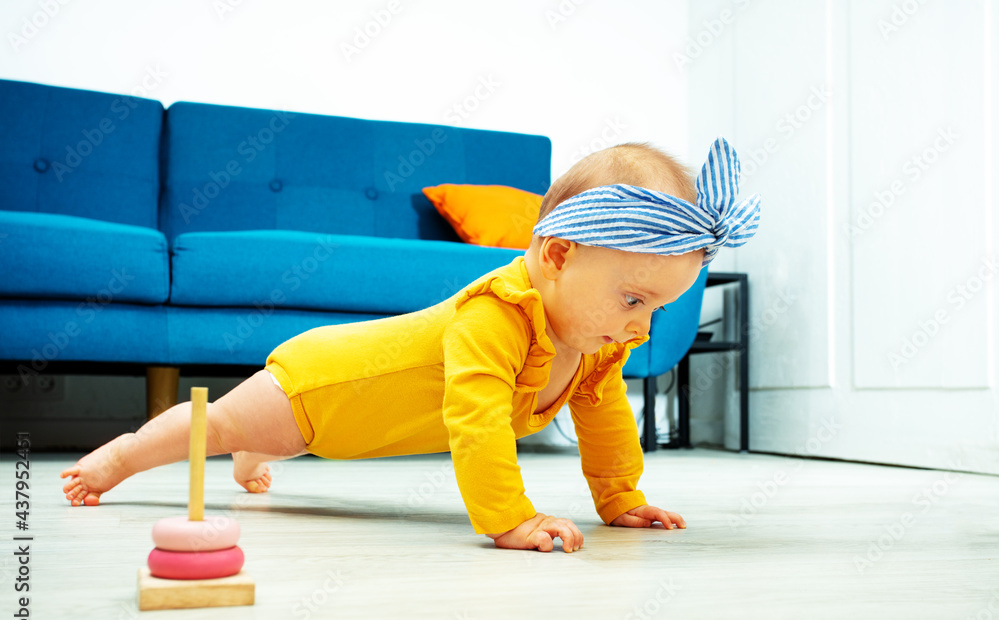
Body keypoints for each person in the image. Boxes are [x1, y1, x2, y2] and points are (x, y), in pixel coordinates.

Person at [60, 137, 760, 553]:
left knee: (280, 441)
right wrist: (509, 518)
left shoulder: (598, 340)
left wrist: (619, 496)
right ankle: (120, 455)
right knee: (229, 423)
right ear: (555, 258)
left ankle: (254, 457)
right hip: (323, 379)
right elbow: (478, 425)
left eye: (660, 309)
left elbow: (605, 419)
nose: (641, 328)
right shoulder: (495, 317)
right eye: (634, 299)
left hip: (354, 425)